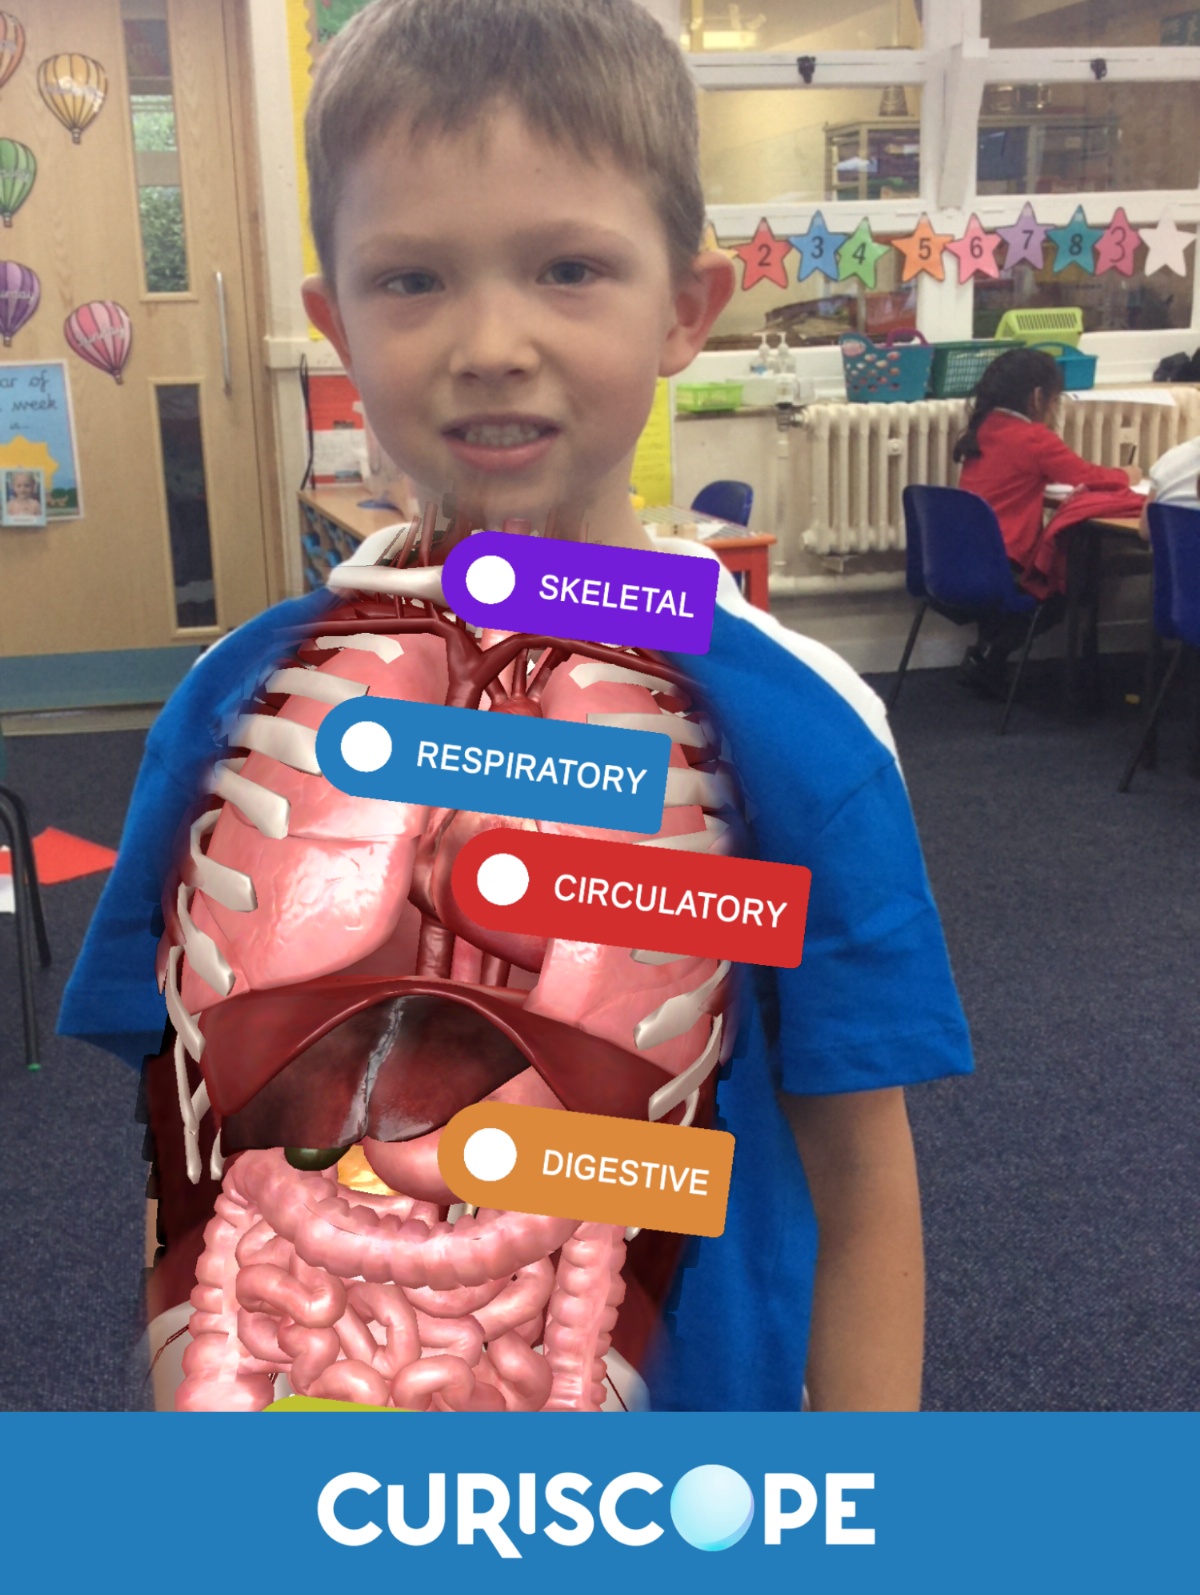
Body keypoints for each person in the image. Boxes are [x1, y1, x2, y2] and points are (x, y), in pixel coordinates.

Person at [59, 0, 972, 1412]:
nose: (491, 341)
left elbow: (860, 1183)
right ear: (336, 326)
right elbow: (184, 1128)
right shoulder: (232, 701)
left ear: (684, 311)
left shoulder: (796, 727)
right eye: (414, 279)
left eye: (567, 268)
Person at [953, 347, 1132, 699]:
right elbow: (1085, 474)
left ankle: (988, 655)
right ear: (1037, 398)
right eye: (1054, 400)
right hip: (1005, 560)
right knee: (1072, 584)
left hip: (966, 557)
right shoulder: (1033, 438)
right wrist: (1127, 474)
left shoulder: (986, 427)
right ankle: (993, 654)